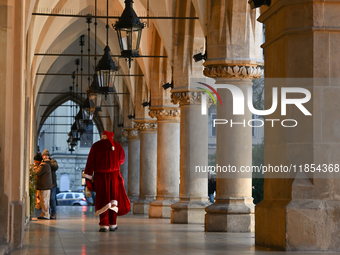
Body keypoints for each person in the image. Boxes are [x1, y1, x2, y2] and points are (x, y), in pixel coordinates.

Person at [83, 131, 127, 232]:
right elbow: (122, 160)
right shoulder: (118, 146)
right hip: (114, 177)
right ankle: (113, 224)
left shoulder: (96, 146)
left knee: (103, 199)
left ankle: (104, 224)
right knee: (113, 200)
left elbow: (90, 163)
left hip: (100, 177)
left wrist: (88, 180)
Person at [34, 150, 52, 219]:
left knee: (45, 201)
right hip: (45, 186)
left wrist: (35, 166)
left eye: (36, 161)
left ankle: (45, 215)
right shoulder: (44, 164)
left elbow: (37, 172)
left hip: (45, 186)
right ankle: (43, 214)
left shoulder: (43, 165)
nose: (35, 162)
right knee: (44, 201)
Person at [42, 149, 58, 219]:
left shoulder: (52, 161)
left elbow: (56, 167)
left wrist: (49, 163)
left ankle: (53, 212)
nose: (46, 157)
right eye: (45, 156)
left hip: (52, 184)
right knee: (45, 199)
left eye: (47, 156)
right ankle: (45, 213)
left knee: (52, 198)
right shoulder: (41, 162)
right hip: (45, 184)